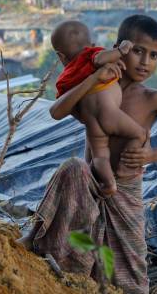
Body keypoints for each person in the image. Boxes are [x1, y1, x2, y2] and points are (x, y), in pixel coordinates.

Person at [19, 15, 157, 294]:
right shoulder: (98, 89)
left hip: (125, 193)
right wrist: (93, 79)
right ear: (120, 48)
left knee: (131, 276)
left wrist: (152, 156)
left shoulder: (153, 98)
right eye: (138, 51)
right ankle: (38, 241)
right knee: (73, 167)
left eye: (154, 55)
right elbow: (56, 111)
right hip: (92, 184)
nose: (144, 62)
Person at [50, 20, 147, 195]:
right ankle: (126, 170)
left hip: (91, 120)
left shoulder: (65, 79)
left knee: (99, 156)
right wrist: (120, 50)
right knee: (140, 134)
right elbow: (100, 58)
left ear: (60, 56)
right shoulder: (92, 55)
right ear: (92, 46)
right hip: (108, 113)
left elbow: (59, 109)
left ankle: (108, 184)